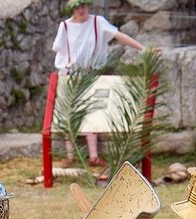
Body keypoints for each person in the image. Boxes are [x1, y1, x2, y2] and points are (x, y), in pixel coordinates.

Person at [52, 0, 144, 169]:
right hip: (69, 75)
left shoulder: (97, 22)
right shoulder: (65, 26)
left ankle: (93, 156)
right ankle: (70, 156)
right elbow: (60, 50)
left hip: (91, 74)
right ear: (72, 9)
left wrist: (142, 48)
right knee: (69, 114)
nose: (81, 10)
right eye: (77, 7)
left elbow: (118, 35)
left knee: (92, 113)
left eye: (84, 6)